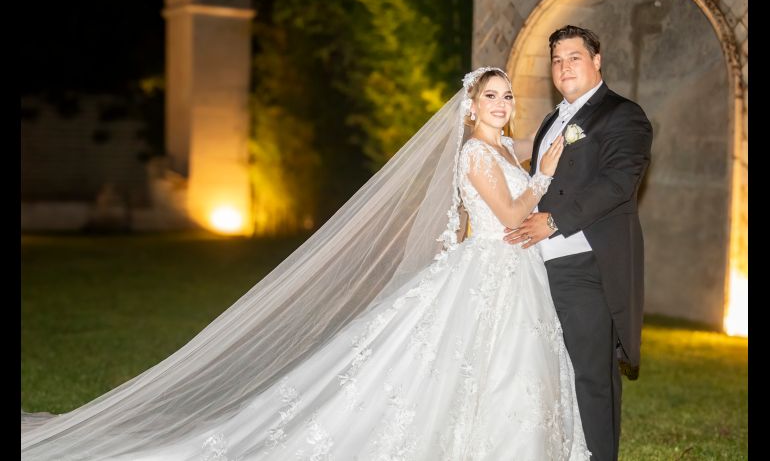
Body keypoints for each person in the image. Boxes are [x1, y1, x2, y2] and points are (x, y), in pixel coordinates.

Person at [21, 68, 591, 460]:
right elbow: (515, 209)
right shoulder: (474, 151)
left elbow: (507, 200)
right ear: (470, 107)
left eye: (508, 96)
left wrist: (542, 162)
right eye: (491, 96)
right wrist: (549, 171)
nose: (502, 104)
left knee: (503, 367)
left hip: (511, 273)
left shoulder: (504, 150)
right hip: (492, 268)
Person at [505, 25, 653, 461]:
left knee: (591, 377)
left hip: (587, 267)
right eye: (557, 60)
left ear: (596, 60)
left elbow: (619, 182)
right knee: (551, 373)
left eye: (574, 57)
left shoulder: (623, 114)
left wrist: (553, 221)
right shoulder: (552, 120)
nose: (564, 66)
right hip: (539, 268)